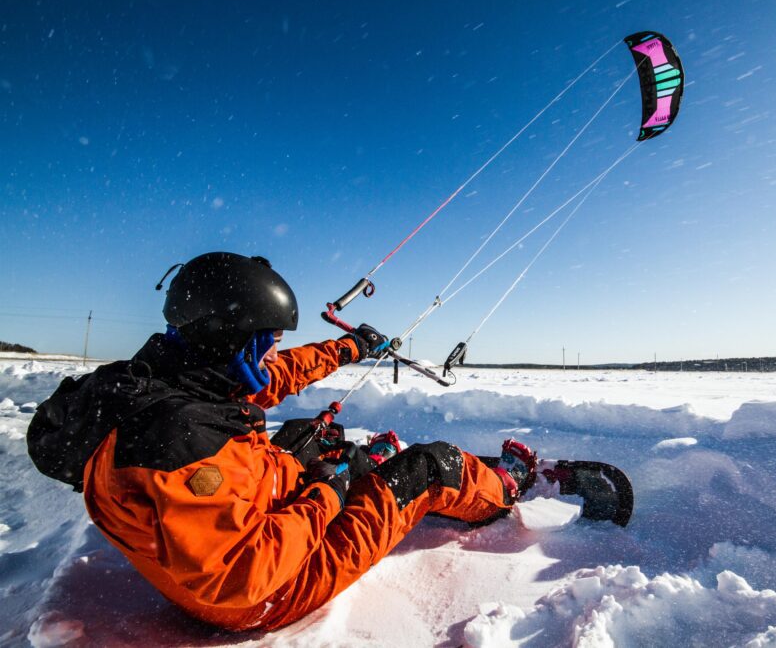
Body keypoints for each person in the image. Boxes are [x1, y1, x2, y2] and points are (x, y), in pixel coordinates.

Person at [27, 252, 537, 631]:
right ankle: (502, 488)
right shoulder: (182, 443)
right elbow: (243, 575)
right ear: (233, 339)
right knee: (430, 466)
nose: (276, 353)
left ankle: (359, 466)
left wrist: (347, 347)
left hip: (216, 530)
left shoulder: (158, 381)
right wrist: (327, 495)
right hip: (267, 591)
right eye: (269, 342)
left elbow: (269, 379)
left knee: (307, 437)